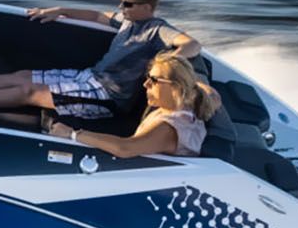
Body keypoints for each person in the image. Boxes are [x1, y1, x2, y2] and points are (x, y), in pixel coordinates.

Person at [0, 0, 199, 119]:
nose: (121, 8)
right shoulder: (126, 19)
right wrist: (58, 11)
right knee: (24, 76)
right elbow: (96, 16)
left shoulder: (156, 28)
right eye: (122, 2)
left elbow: (192, 44)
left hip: (107, 97)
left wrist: (167, 63)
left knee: (29, 93)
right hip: (88, 77)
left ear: (147, 7)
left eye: (128, 4)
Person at [48, 55, 220, 158]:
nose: (145, 84)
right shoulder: (191, 99)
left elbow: (126, 148)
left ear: (176, 87)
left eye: (153, 81)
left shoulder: (168, 128)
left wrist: (72, 134)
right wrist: (193, 83)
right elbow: (213, 95)